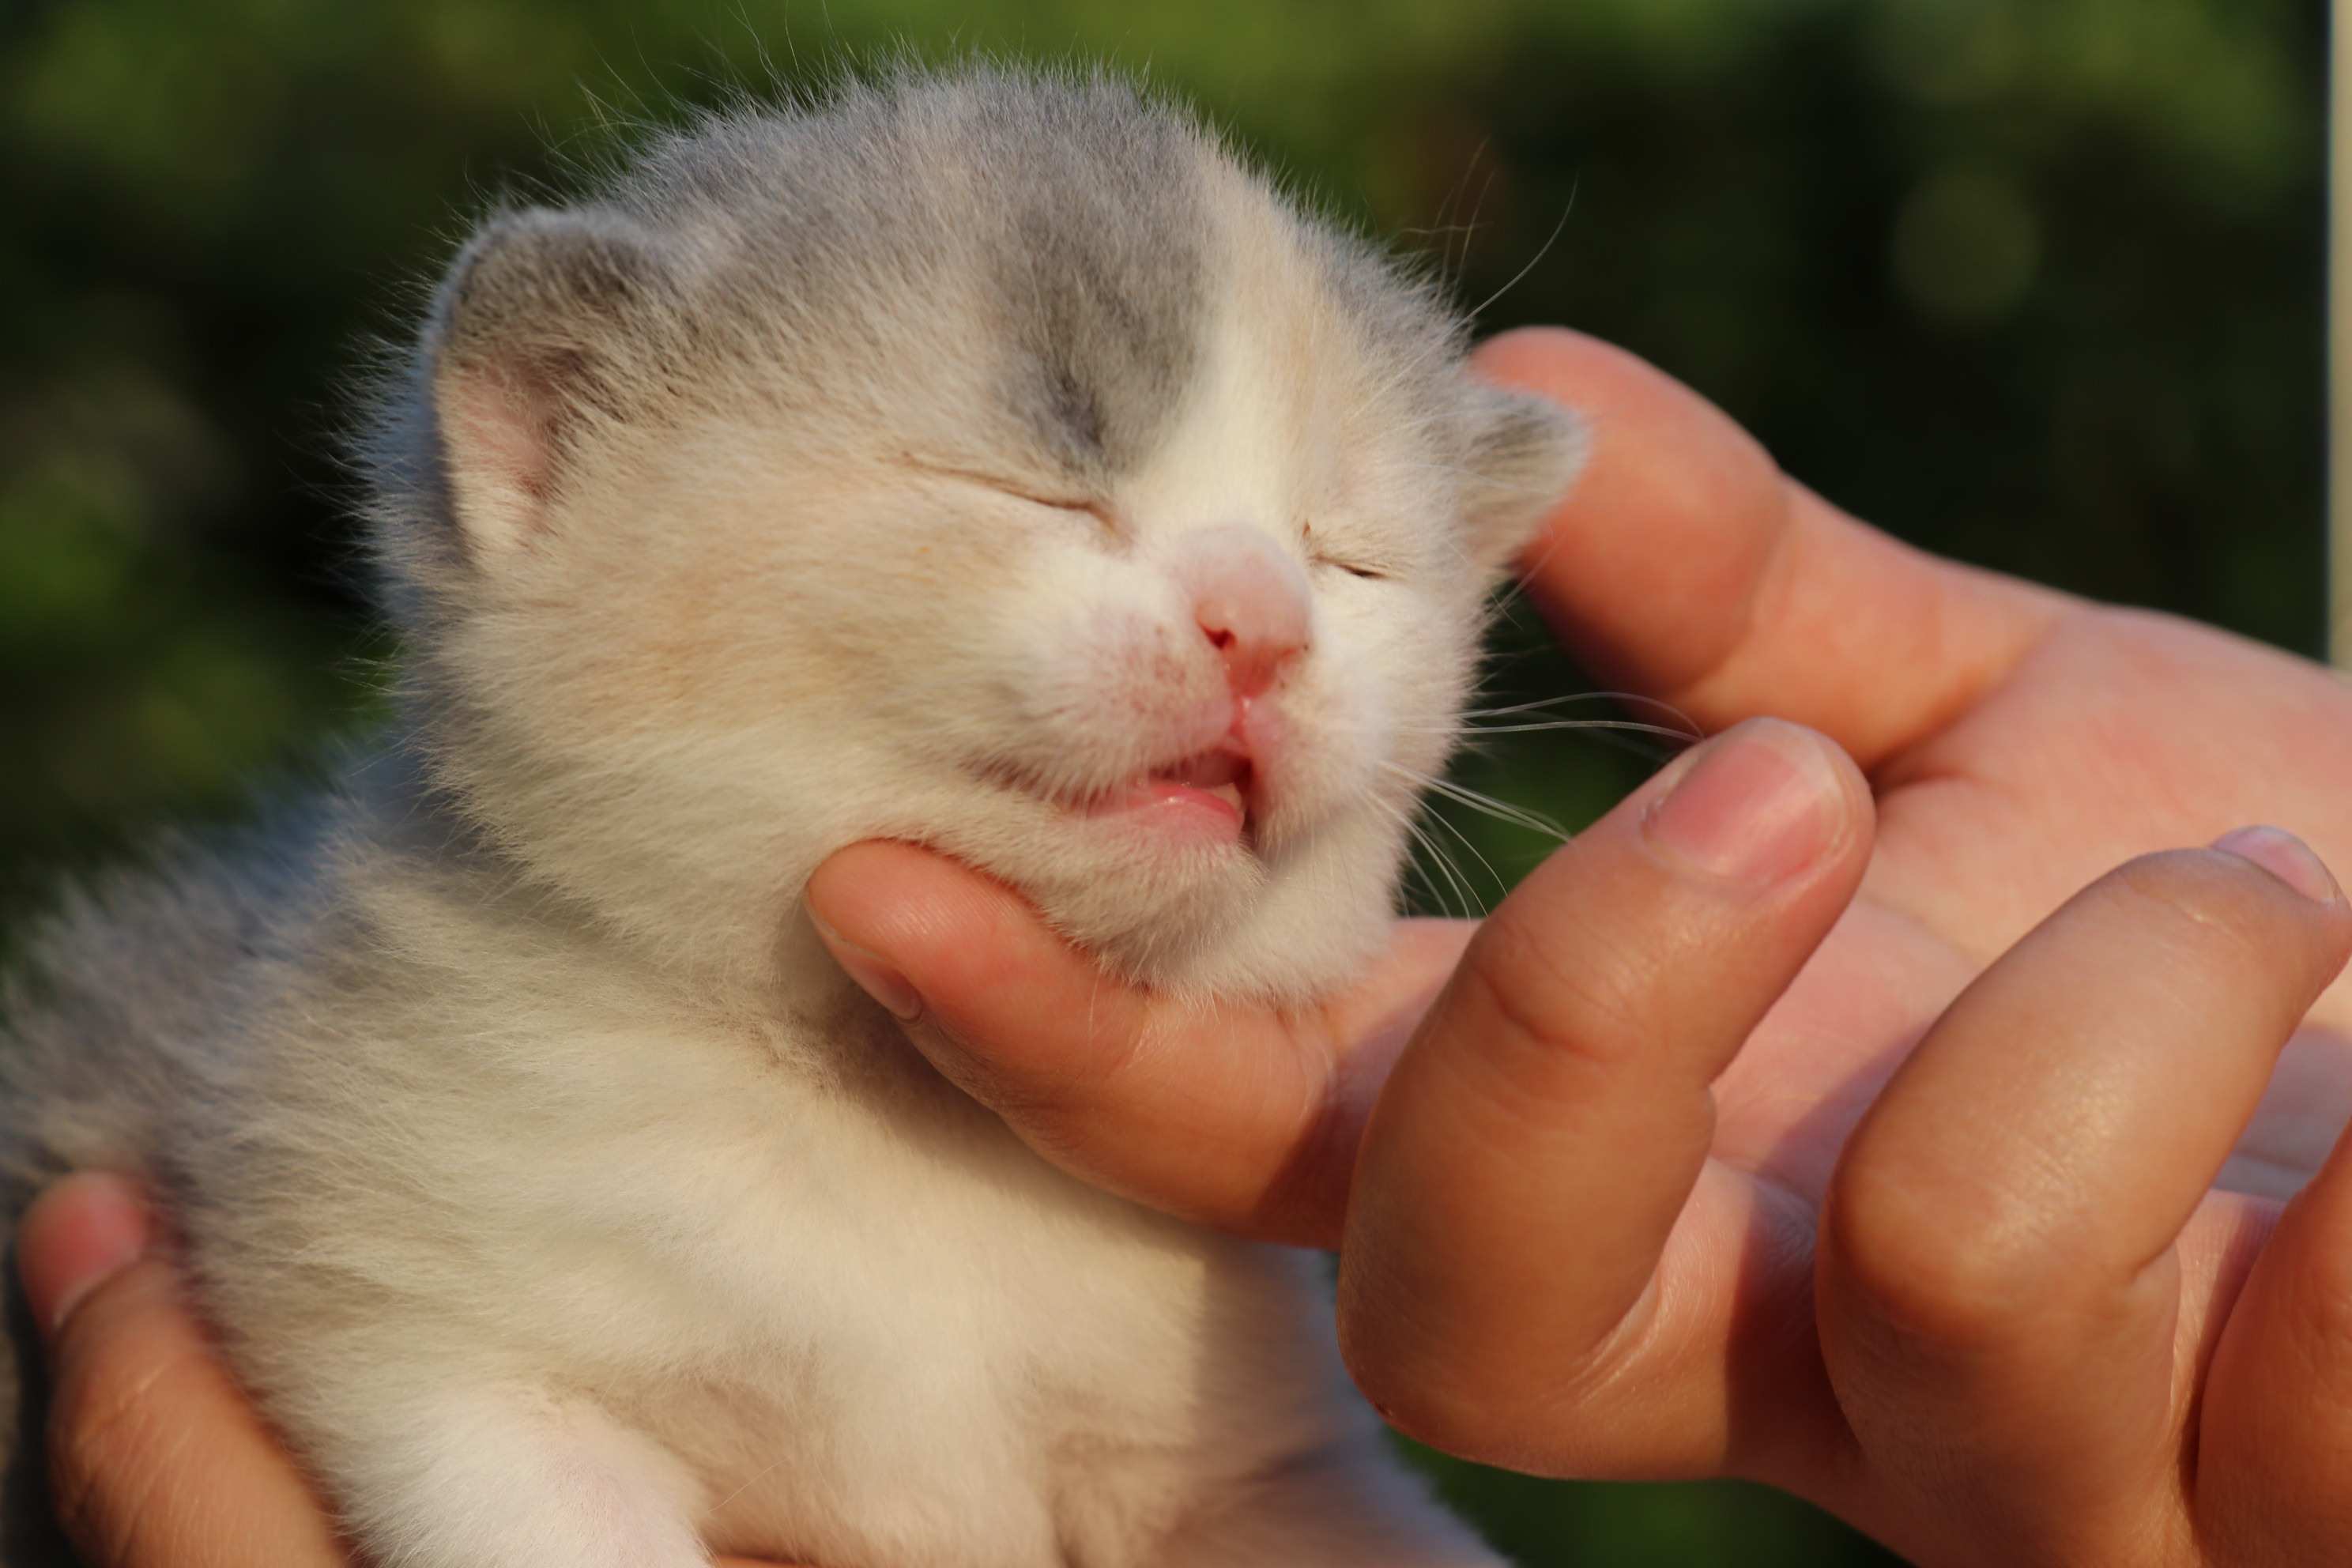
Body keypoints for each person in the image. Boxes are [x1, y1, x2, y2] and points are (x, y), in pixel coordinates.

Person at [24, 327, 2352, 1566]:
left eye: (1360, 553)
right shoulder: (433, 1050)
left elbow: (1255, 1508)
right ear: (550, 450)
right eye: (1050, 493)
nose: (1258, 615)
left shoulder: (1193, 1190)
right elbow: (426, 1361)